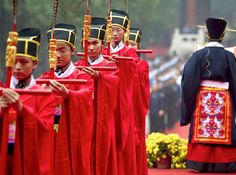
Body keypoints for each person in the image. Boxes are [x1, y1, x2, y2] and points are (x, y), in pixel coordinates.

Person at [38, 23, 95, 175]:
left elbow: (87, 96)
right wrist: (40, 93)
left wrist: (69, 95)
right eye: (53, 51)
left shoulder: (82, 76)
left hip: (71, 138)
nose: (57, 55)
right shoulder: (44, 78)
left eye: (62, 50)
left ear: (73, 51)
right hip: (49, 139)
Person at [181, 17, 236, 172]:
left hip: (202, 99)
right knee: (221, 127)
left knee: (204, 127)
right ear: (223, 35)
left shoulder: (197, 55)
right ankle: (225, 163)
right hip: (223, 98)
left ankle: (200, 162)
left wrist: (188, 106)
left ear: (206, 34)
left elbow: (188, 82)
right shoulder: (229, 56)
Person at [0, 28, 57, 175]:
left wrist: (23, 111)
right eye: (14, 62)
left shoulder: (44, 95)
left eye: (24, 62)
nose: (17, 67)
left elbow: (46, 131)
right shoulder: (2, 91)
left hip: (28, 164)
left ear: (35, 63)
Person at [75, 17, 119, 175]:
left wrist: (100, 78)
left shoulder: (110, 66)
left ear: (103, 45)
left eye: (95, 43)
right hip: (81, 121)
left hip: (101, 120)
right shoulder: (77, 66)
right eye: (87, 43)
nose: (91, 47)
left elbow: (114, 92)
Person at [102, 9, 138, 175]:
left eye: (118, 30)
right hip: (106, 99)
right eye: (112, 30)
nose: (115, 33)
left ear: (125, 32)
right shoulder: (103, 51)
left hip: (122, 99)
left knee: (121, 136)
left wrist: (120, 64)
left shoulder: (128, 52)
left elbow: (132, 75)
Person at [128, 27, 150, 175]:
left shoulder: (142, 65)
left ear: (139, 47)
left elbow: (141, 89)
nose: (130, 47)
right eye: (127, 44)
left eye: (133, 44)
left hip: (134, 108)